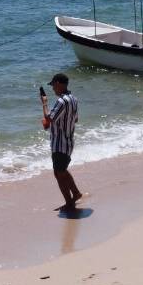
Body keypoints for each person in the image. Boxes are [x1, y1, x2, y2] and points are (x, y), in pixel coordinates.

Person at [40, 73, 82, 210]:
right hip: (69, 142)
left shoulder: (62, 101)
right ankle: (75, 193)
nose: (53, 89)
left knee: (58, 173)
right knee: (62, 170)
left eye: (53, 85)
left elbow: (49, 118)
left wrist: (44, 103)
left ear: (59, 83)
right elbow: (75, 119)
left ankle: (70, 203)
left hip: (60, 143)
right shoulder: (74, 99)